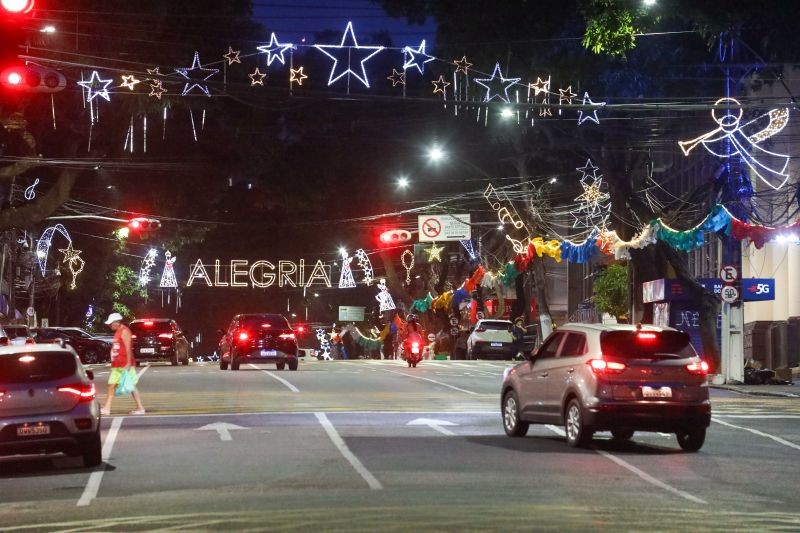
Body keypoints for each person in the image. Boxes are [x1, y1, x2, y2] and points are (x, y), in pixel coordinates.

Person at [100, 312, 146, 415]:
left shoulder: (124, 331)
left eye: (111, 323)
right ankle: (107, 408)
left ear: (116, 322)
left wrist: (129, 362)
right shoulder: (117, 332)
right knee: (111, 385)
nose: (109, 325)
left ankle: (140, 408)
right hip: (117, 365)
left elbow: (128, 347)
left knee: (131, 386)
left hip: (125, 364)